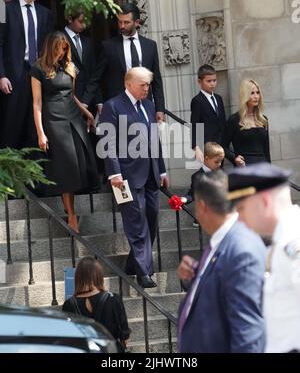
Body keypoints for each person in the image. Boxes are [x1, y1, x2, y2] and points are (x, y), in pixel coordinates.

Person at [177, 170, 266, 353]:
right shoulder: (223, 238)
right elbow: (224, 286)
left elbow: (248, 332)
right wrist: (196, 274)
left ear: (201, 206)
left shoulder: (241, 249)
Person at [98, 67, 168, 288]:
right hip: (124, 176)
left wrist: (163, 169)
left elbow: (154, 140)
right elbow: (108, 143)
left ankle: (133, 263)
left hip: (151, 174)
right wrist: (114, 173)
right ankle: (144, 271)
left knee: (152, 219)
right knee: (135, 222)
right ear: (128, 84)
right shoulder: (112, 106)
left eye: (148, 84)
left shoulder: (148, 105)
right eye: (142, 85)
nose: (147, 88)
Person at [227, 162, 300, 353]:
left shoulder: (292, 244)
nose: (239, 218)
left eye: (241, 208)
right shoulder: (278, 246)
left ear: (265, 201)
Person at [30, 31, 99, 233]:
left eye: (65, 48)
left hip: (73, 117)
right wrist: (40, 132)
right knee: (66, 166)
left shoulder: (69, 67)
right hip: (53, 119)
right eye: (60, 48)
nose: (63, 52)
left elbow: (72, 95)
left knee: (82, 162)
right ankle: (71, 214)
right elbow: (37, 103)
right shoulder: (37, 68)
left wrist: (87, 112)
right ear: (52, 48)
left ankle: (73, 209)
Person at [81, 3, 165, 123]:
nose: (122, 26)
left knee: (149, 140)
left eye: (126, 22)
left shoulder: (150, 46)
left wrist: (160, 109)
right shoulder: (108, 47)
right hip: (119, 107)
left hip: (145, 106)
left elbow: (156, 80)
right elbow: (96, 78)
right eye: (119, 22)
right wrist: (84, 102)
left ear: (137, 22)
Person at [0, 0, 53, 149]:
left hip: (38, 74)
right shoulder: (3, 9)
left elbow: (48, 47)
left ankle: (37, 172)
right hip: (13, 75)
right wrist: (1, 75)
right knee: (11, 125)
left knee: (35, 124)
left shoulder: (45, 13)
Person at [62, 256, 131, 352]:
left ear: (78, 278)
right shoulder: (113, 299)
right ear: (99, 276)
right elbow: (125, 335)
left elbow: (68, 337)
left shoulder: (68, 304)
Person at [225, 78, 271, 167]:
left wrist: (270, 171)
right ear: (245, 95)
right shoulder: (234, 120)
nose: (256, 96)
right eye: (252, 93)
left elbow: (266, 151)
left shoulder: (263, 119)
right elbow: (223, 146)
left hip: (263, 168)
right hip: (245, 168)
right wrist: (235, 158)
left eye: (258, 93)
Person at [190, 64, 226, 162]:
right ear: (200, 81)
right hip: (206, 147)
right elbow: (195, 125)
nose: (212, 84)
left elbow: (222, 122)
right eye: (209, 81)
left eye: (214, 80)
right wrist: (196, 147)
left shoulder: (219, 98)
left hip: (220, 147)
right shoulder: (197, 101)